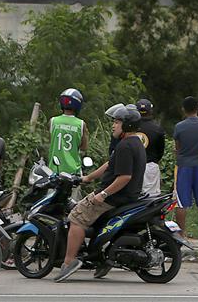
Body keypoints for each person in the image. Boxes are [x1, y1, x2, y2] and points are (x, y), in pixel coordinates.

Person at [53, 106, 146, 282]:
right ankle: (101, 259)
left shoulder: (126, 145)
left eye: (117, 122)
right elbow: (110, 165)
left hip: (114, 197)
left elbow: (125, 177)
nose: (113, 126)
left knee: (76, 218)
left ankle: (69, 262)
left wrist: (102, 194)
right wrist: (87, 178)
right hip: (127, 196)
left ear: (126, 125)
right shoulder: (135, 143)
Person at [173, 96, 198, 243]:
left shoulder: (179, 126)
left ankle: (182, 235)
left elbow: (177, 147)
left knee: (181, 202)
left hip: (184, 165)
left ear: (184, 109)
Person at [48, 88, 88, 175]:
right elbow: (84, 147)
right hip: (73, 172)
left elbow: (51, 141)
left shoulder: (53, 121)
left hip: (54, 170)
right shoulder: (81, 124)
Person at [135, 98, 166, 196]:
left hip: (131, 166)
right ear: (151, 111)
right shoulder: (157, 129)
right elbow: (160, 151)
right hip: (150, 167)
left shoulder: (129, 127)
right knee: (151, 200)